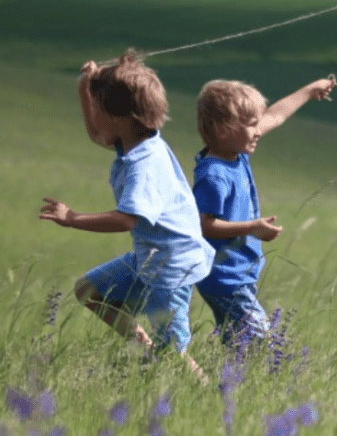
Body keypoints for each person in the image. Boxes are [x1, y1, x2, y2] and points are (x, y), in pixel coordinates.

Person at [39, 50, 213, 374]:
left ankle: (215, 402)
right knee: (89, 291)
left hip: (170, 267)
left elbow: (125, 219)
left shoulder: (143, 165)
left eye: (98, 107)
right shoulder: (136, 141)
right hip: (149, 256)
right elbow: (97, 134)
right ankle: (143, 348)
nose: (95, 114)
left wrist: (72, 218)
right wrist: (86, 89)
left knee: (173, 354)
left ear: (119, 117)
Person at [193, 76, 335, 343]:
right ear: (222, 129)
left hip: (237, 273)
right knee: (265, 346)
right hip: (224, 278)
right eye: (251, 125)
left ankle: (228, 383)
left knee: (240, 346)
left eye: (257, 124)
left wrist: (309, 89)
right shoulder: (214, 175)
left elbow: (276, 116)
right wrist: (252, 228)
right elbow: (203, 224)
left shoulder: (236, 152)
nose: (259, 131)